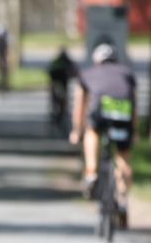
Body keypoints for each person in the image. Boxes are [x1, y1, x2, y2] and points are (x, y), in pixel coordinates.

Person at [71, 43, 137, 228]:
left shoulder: (88, 74)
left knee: (92, 132)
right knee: (123, 158)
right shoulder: (127, 73)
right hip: (123, 113)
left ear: (97, 61)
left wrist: (78, 131)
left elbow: (80, 107)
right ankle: (123, 200)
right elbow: (134, 104)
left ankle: (91, 172)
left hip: (100, 112)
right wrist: (135, 131)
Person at [47, 47, 77, 123]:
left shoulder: (57, 60)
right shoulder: (67, 61)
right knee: (61, 97)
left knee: (56, 97)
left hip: (56, 81)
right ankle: (60, 111)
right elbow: (74, 71)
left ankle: (56, 111)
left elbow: (49, 70)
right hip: (60, 81)